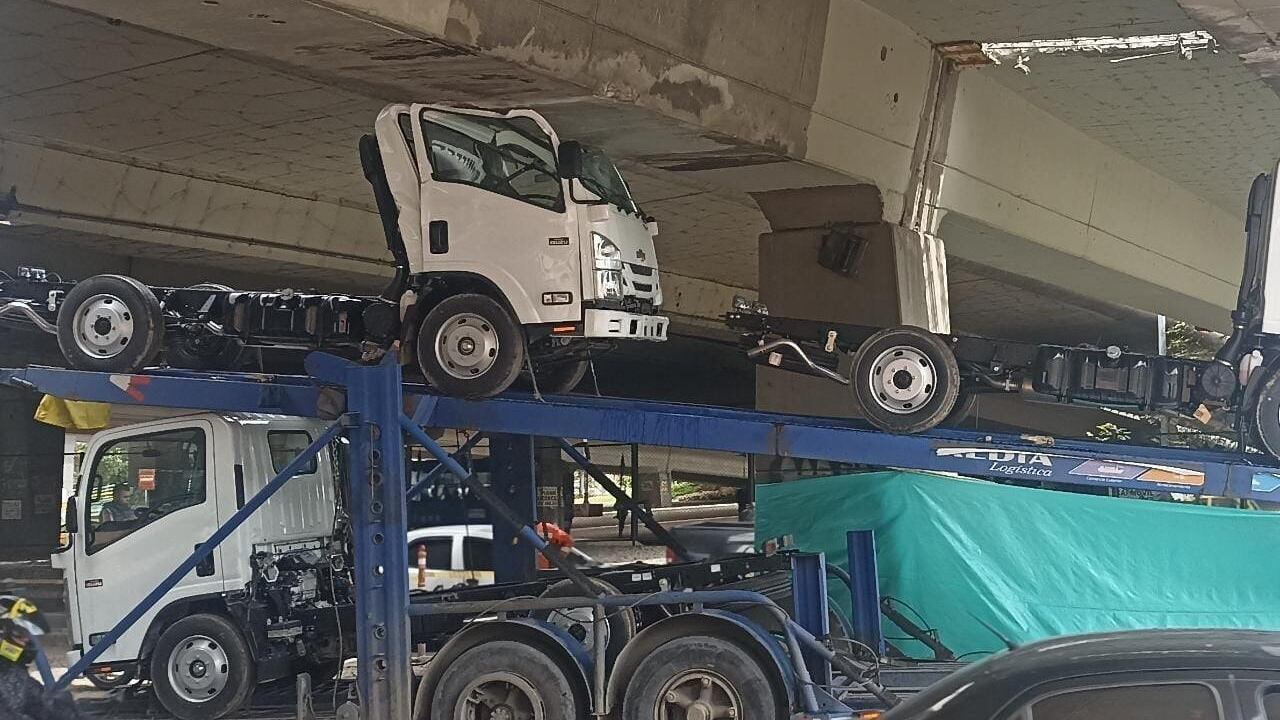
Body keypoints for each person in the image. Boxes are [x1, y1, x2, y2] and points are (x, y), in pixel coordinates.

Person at [0, 594, 85, 720]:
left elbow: (42, 703)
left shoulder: (14, 672)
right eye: (20, 635)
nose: (26, 641)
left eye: (27, 635)